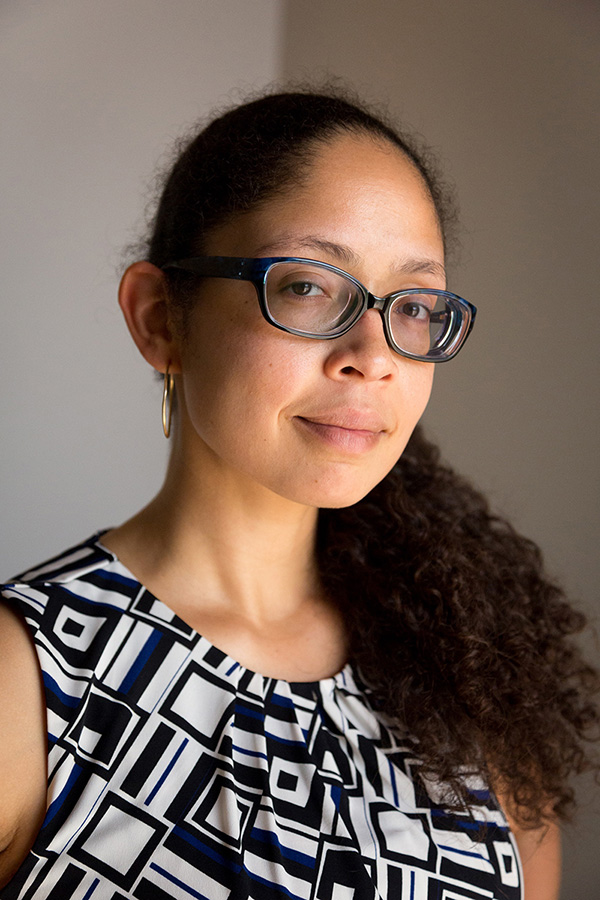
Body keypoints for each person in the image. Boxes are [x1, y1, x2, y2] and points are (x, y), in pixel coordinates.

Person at [0, 89, 597, 900]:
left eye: (415, 306)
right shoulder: (28, 681)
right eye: (309, 287)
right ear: (160, 319)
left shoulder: (471, 669)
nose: (374, 356)